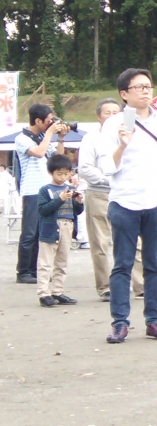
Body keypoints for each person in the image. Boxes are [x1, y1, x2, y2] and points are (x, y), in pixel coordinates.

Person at [99, 68, 157, 344]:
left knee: (154, 266)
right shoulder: (114, 124)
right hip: (124, 202)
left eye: (148, 86)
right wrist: (122, 145)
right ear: (124, 94)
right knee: (122, 265)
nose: (146, 91)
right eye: (139, 87)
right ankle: (120, 324)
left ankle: (155, 321)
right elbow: (106, 167)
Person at [77, 97, 141, 302]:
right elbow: (85, 168)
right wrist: (110, 178)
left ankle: (141, 285)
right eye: (108, 113)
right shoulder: (91, 138)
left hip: (127, 193)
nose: (113, 116)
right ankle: (105, 287)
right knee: (100, 242)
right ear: (98, 116)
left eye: (116, 112)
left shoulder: (130, 134)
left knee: (135, 240)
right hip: (99, 193)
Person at [13, 104, 67, 284]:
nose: (51, 123)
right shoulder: (22, 138)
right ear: (38, 120)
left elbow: (57, 159)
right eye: (49, 120)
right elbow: (39, 152)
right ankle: (23, 271)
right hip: (31, 190)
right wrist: (50, 133)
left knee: (42, 232)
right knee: (29, 233)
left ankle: (36, 270)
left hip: (46, 190)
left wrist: (60, 138)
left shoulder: (44, 137)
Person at [35, 153, 84, 306]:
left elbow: (77, 211)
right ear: (51, 172)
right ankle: (43, 293)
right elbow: (42, 210)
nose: (63, 177)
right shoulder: (45, 190)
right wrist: (60, 199)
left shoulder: (70, 188)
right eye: (59, 174)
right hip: (50, 228)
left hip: (67, 226)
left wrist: (79, 201)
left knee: (62, 262)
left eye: (66, 173)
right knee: (45, 263)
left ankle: (58, 291)